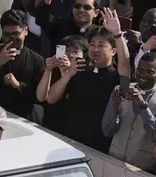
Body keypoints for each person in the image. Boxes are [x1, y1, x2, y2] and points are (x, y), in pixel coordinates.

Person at [46, 9, 130, 152]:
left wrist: (117, 34)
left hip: (100, 145)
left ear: (113, 52)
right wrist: (67, 74)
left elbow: (125, 66)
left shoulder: (117, 77)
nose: (96, 49)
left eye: (101, 45)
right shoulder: (78, 70)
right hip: (69, 140)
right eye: (92, 44)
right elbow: (51, 99)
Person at [102, 52, 156, 172]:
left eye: (150, 72)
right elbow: (106, 130)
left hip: (142, 169)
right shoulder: (119, 90)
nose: (143, 75)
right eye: (140, 70)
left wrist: (142, 105)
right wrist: (114, 106)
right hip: (113, 160)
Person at [0, 10, 45, 118]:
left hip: (23, 116)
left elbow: (40, 97)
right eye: (7, 34)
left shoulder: (37, 60)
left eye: (16, 34)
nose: (11, 39)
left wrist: (18, 85)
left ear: (25, 31)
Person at [35, 0, 100, 53]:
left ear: (96, 13)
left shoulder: (99, 33)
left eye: (87, 7)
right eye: (77, 6)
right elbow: (42, 20)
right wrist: (47, 0)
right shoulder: (59, 26)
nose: (81, 10)